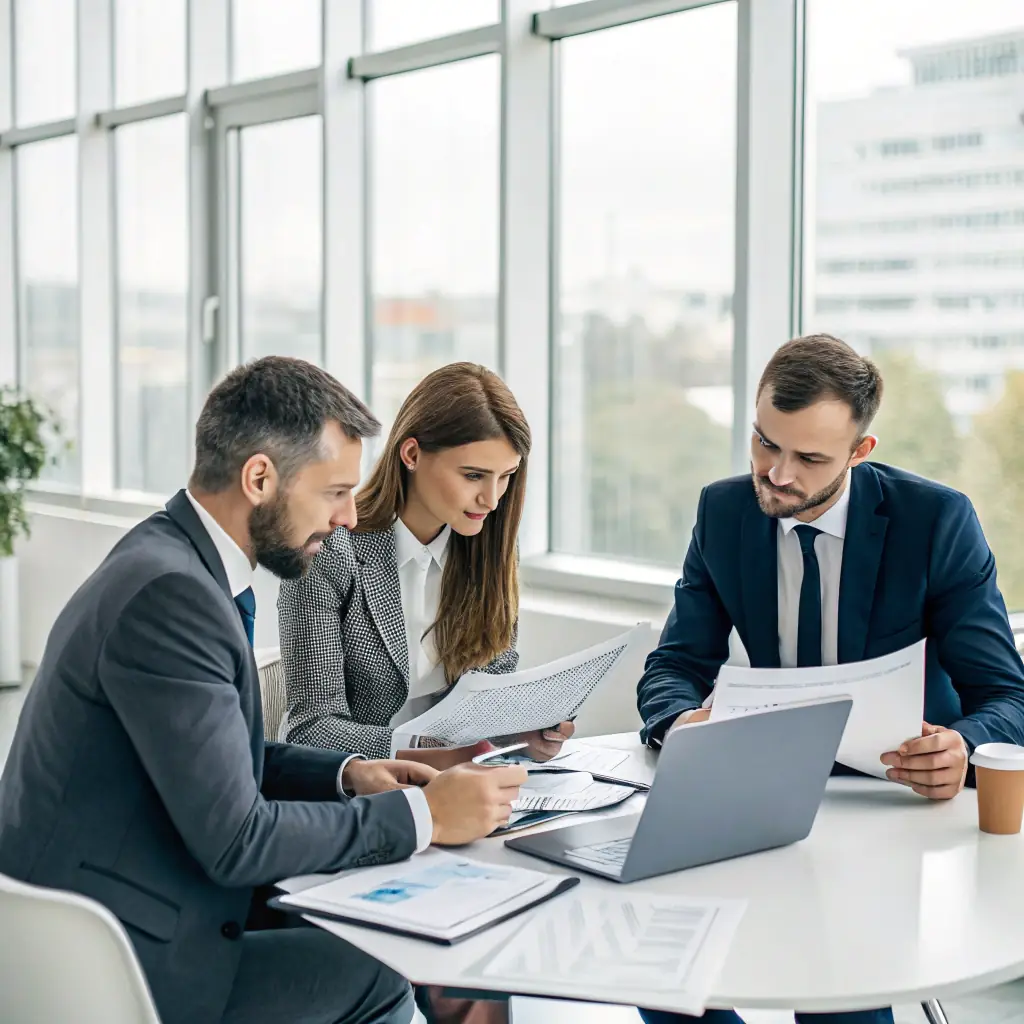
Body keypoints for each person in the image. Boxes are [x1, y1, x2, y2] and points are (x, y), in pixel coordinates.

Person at [0, 356, 527, 1024]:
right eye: (334, 491)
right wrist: (426, 816)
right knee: (382, 973)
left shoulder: (172, 561)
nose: (346, 518)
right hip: (111, 958)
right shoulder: (173, 597)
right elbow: (237, 839)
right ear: (259, 478)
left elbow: (223, 752)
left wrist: (350, 774)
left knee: (384, 932)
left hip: (130, 900)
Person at [636, 334, 1024, 1024]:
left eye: (809, 458)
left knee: (838, 1000)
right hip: (758, 797)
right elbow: (675, 665)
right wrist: (678, 722)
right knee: (665, 977)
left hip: (890, 807)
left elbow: (1008, 696)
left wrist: (960, 747)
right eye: (764, 443)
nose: (777, 474)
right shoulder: (724, 514)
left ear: (860, 452)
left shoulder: (934, 522)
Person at [278, 362, 574, 767]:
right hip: (364, 794)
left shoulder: (491, 550)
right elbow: (311, 729)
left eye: (506, 476)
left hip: (463, 781)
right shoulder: (328, 550)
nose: (492, 499)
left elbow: (487, 695)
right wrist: (430, 751)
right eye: (473, 475)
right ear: (412, 454)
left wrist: (520, 731)